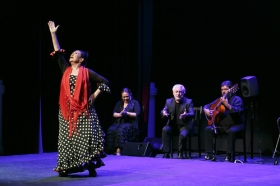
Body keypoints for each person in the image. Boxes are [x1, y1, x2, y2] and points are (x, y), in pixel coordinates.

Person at [47, 20, 111, 177]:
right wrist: (53, 34)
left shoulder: (87, 72)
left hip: (84, 109)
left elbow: (105, 82)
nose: (72, 54)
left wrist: (94, 95)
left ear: (81, 59)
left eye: (75, 53)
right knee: (67, 140)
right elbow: (57, 54)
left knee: (86, 137)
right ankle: (67, 166)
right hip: (66, 110)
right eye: (72, 53)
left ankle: (90, 165)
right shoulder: (65, 69)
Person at [203, 80, 244, 162]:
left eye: (225, 89)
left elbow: (238, 111)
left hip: (236, 125)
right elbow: (207, 105)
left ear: (231, 89)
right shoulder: (219, 100)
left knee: (232, 131)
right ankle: (209, 154)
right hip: (223, 126)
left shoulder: (237, 99)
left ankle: (229, 155)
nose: (223, 91)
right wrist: (205, 110)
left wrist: (227, 105)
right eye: (222, 89)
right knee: (208, 129)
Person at [160, 84, 194, 159]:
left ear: (184, 92)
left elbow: (192, 113)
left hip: (185, 126)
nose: (178, 94)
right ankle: (166, 153)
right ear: (173, 93)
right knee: (165, 130)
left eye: (180, 92)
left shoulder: (188, 101)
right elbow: (164, 110)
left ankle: (180, 152)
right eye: (176, 92)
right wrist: (164, 113)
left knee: (182, 134)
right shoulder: (168, 101)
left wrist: (186, 114)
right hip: (172, 126)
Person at [106, 88, 141, 156]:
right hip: (119, 123)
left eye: (127, 96)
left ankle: (118, 150)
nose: (125, 98)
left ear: (130, 95)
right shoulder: (119, 103)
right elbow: (114, 114)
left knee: (121, 130)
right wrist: (120, 114)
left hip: (130, 123)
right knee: (111, 130)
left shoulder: (135, 103)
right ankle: (111, 151)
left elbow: (137, 114)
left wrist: (127, 113)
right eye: (123, 97)